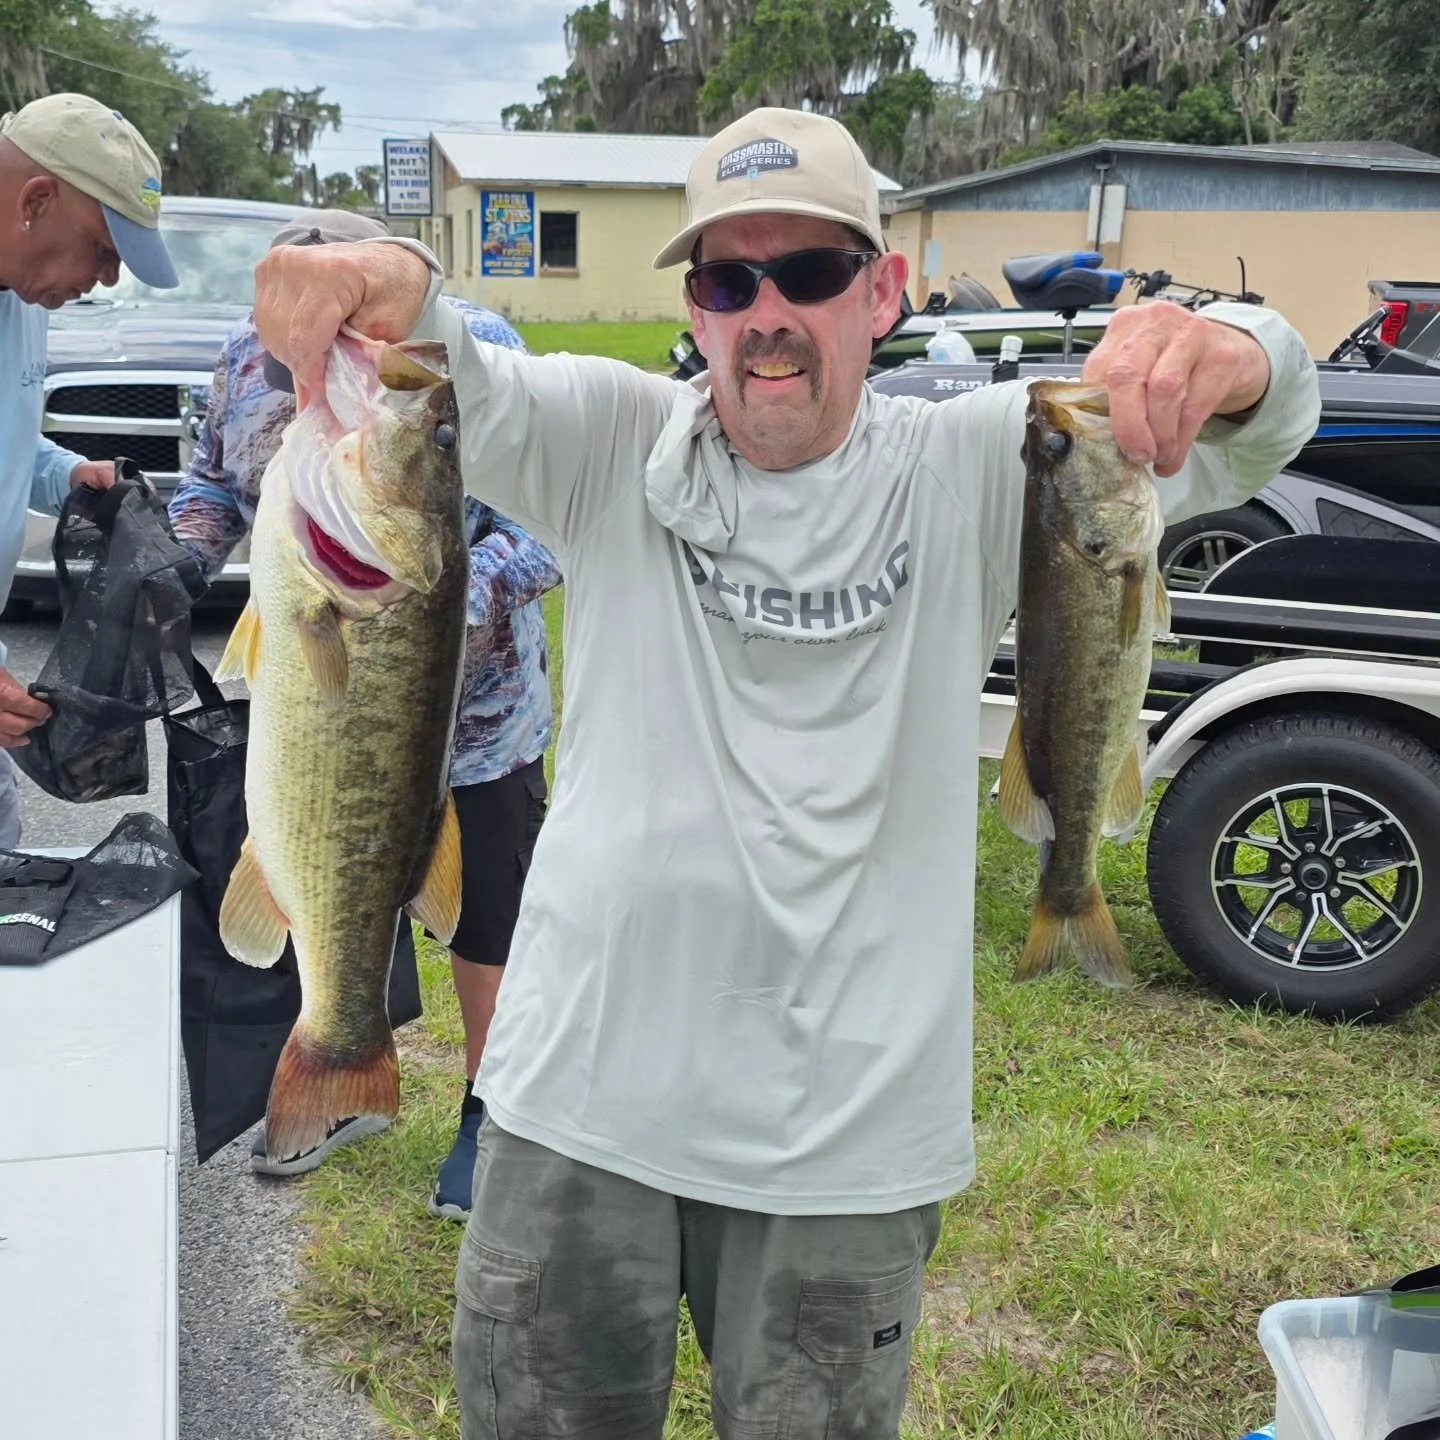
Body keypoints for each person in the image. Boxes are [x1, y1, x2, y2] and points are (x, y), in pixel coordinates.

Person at [252, 106, 1322, 1438]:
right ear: (694, 309)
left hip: (847, 1145)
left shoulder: (985, 461)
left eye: (810, 272)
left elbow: (1259, 430)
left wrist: (1232, 349)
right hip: (574, 1108)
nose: (767, 315)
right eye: (728, 280)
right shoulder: (611, 440)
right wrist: (386, 273)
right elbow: (445, 367)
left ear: (883, 293)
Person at [168, 208, 561, 1216]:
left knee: (487, 922)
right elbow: (214, 481)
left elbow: (551, 529)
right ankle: (344, 1078)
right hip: (328, 705)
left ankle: (490, 1115)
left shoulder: (464, 357)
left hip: (483, 720)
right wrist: (178, 562)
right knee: (326, 880)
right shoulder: (246, 357)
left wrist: (422, 609)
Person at [0, 91, 178, 847]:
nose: (105, 280)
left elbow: (13, 440)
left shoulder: (23, 299)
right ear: (36, 201)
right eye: (103, 251)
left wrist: (69, 473)